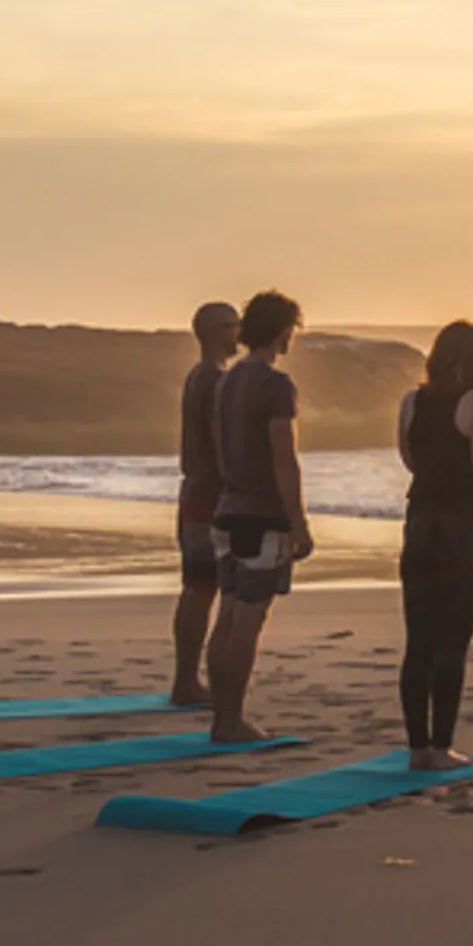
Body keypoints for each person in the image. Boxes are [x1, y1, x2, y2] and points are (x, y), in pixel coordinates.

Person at [395, 321, 473, 768]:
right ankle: (442, 746)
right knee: (452, 643)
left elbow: (408, 458)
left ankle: (416, 748)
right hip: (461, 530)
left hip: (420, 524)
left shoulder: (411, 401)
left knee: (418, 642)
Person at [203, 289, 312, 747]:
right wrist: (298, 522)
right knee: (248, 620)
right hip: (260, 514)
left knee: (227, 616)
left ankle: (222, 718)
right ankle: (231, 721)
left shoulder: (227, 381)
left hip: (227, 509)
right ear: (284, 330)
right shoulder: (274, 384)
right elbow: (284, 459)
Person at [170, 298, 239, 707]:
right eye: (234, 325)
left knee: (196, 588)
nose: (240, 333)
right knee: (203, 588)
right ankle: (188, 681)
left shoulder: (198, 376)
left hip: (195, 491)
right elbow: (221, 441)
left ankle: (186, 678)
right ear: (216, 331)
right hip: (209, 495)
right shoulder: (214, 379)